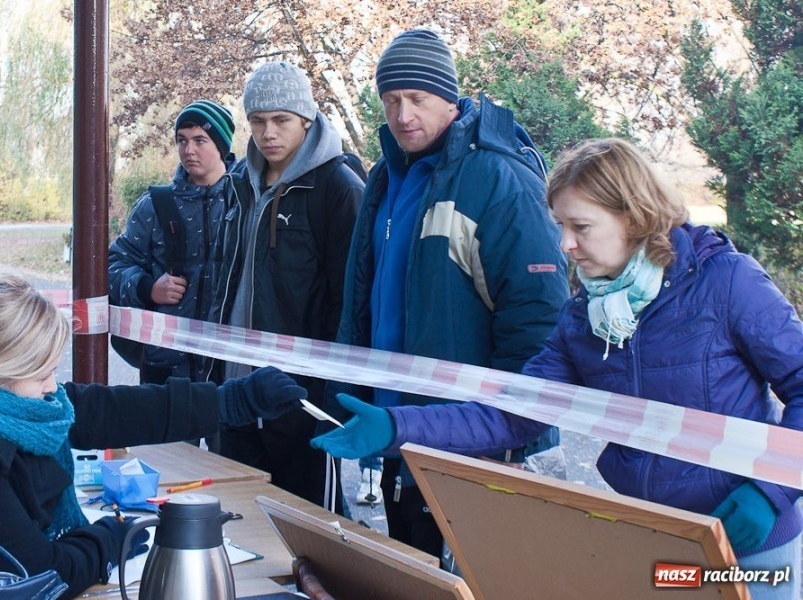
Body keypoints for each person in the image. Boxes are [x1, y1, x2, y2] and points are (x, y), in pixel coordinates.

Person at [313, 138, 803, 599]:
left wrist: (770, 492)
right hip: (659, 540)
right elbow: (511, 414)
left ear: (633, 216)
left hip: (752, 541)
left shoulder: (725, 281)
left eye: (581, 227)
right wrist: (398, 426)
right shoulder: (583, 318)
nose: (565, 244)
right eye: (560, 226)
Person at [315, 28, 569, 558]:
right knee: (415, 573)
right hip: (395, 431)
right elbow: (364, 297)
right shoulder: (385, 176)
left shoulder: (498, 178)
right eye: (390, 101)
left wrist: (513, 438)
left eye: (417, 99)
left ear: (449, 98)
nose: (403, 114)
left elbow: (537, 319)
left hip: (470, 440)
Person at [0, 275, 306, 599]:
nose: (51, 388)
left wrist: (229, 402)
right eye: (41, 374)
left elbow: (101, 410)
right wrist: (109, 539)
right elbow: (42, 574)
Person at [209, 61, 364, 509]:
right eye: (257, 121)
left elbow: (348, 303)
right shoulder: (237, 184)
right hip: (233, 390)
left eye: (281, 120)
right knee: (240, 524)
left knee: (309, 532)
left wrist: (329, 398)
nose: (268, 132)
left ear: (306, 120)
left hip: (299, 398)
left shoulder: (339, 187)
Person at [109, 99, 239, 385]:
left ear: (221, 145)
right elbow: (114, 265)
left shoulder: (245, 202)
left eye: (200, 140)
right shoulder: (155, 205)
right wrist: (148, 288)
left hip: (230, 366)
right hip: (164, 368)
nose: (188, 150)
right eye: (182, 140)